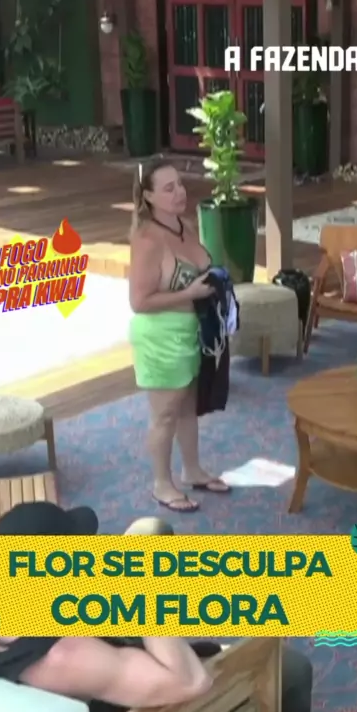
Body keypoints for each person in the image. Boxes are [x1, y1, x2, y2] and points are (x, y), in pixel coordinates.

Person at [0, 502, 332, 712]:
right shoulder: (67, 657)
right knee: (292, 668)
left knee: (153, 531)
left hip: (97, 647)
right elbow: (193, 682)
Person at [129, 157, 231, 514]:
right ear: (149, 196)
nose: (179, 193)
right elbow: (139, 302)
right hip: (160, 338)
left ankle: (192, 469)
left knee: (188, 406)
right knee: (165, 415)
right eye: (168, 188)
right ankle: (162, 484)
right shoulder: (147, 240)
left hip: (193, 331)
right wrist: (189, 294)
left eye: (181, 185)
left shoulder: (184, 225)